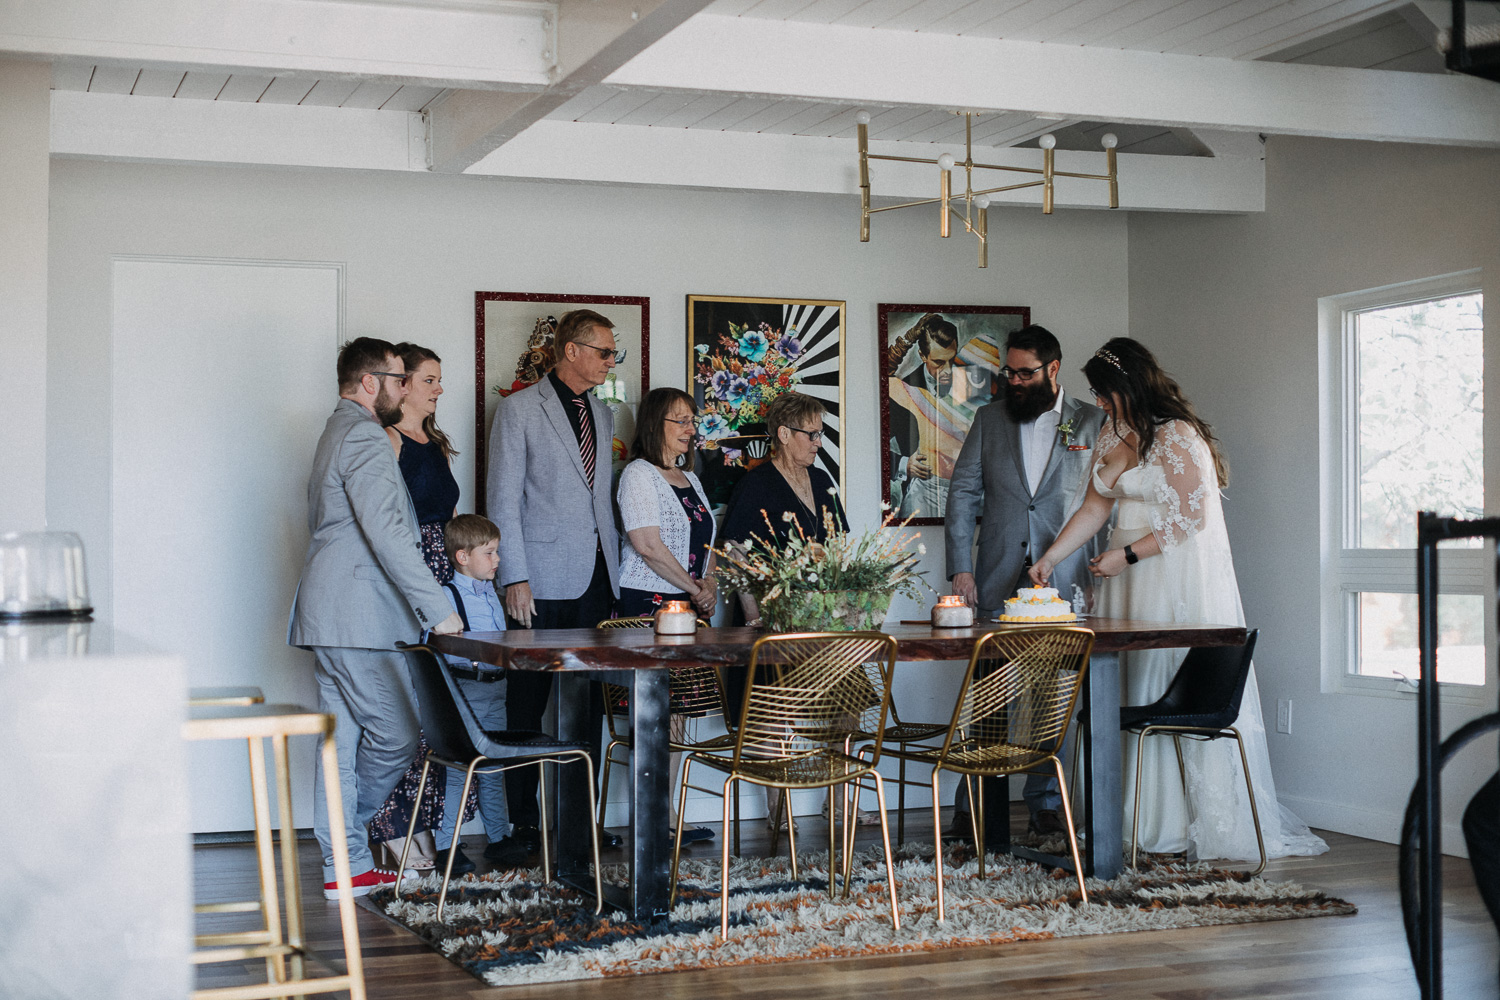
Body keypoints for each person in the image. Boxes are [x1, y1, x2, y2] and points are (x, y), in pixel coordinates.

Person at [1030, 336, 1326, 862]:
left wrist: (1129, 557)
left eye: (1103, 392)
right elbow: (1096, 510)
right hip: (1122, 577)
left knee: (1156, 678)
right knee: (1113, 687)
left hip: (1163, 574)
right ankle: (1114, 820)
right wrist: (1052, 558)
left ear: (1128, 385)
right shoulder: (1111, 431)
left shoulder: (1176, 435)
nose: (1097, 402)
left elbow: (1191, 518)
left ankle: (1162, 827)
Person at [287, 337, 463, 900]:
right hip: (358, 616)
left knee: (339, 746)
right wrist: (439, 608)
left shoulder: (334, 430)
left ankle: (345, 866)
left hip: (331, 613)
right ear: (371, 382)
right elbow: (386, 533)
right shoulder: (362, 433)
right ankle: (344, 846)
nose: (404, 388)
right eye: (396, 379)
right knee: (395, 735)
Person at [944, 324, 1107, 839]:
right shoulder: (989, 419)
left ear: (1052, 370)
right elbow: (964, 492)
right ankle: (974, 803)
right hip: (996, 574)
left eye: (1023, 372)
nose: (1013, 380)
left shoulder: (1094, 422)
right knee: (987, 690)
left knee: (1053, 692)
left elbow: (1104, 501)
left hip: (1066, 575)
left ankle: (1044, 803)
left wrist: (1100, 574)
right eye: (1007, 371)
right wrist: (960, 567)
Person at [486, 308, 623, 850]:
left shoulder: (605, 414)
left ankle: (577, 820)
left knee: (586, 704)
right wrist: (513, 576)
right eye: (605, 352)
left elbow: (599, 501)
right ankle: (521, 823)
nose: (611, 361)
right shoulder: (518, 410)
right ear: (572, 350)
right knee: (526, 702)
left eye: (614, 354)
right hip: (538, 579)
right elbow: (503, 500)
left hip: (596, 576)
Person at [368, 342, 475, 877]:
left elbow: (451, 517)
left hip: (442, 578)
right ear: (402, 385)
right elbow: (381, 522)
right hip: (408, 577)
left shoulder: (433, 442)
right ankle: (392, 831)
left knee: (437, 709)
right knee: (403, 706)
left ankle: (424, 826)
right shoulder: (386, 440)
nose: (439, 389)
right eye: (430, 379)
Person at [720, 391, 851, 829]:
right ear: (783, 434)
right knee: (772, 712)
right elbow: (735, 554)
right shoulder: (755, 484)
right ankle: (780, 812)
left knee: (848, 703)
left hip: (819, 619)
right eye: (811, 434)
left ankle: (843, 803)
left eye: (821, 434)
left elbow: (839, 548)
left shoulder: (822, 481)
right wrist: (755, 616)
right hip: (768, 620)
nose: (818, 443)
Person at [616, 387, 720, 844]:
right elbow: (647, 545)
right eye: (680, 420)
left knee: (681, 714)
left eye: (691, 420)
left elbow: (709, 539)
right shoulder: (638, 475)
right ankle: (653, 815)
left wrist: (710, 583)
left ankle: (669, 815)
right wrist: (695, 587)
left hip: (690, 603)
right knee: (655, 716)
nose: (689, 428)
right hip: (649, 606)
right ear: (655, 424)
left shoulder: (690, 478)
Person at [431, 514, 528, 868]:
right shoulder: (445, 596)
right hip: (464, 691)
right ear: (463, 557)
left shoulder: (494, 595)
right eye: (490, 553)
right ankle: (448, 845)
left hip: (496, 690)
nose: (498, 560)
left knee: (493, 765)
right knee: (459, 767)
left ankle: (499, 837)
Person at [888, 313, 959, 519]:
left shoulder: (972, 383)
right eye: (938, 362)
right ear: (922, 355)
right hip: (920, 501)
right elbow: (870, 445)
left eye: (952, 360)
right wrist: (903, 465)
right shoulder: (902, 390)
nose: (948, 370)